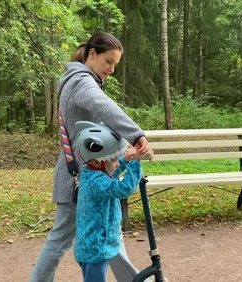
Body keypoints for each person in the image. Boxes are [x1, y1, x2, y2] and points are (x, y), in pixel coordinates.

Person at [29, 32, 154, 282]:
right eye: (109, 61)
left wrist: (114, 154)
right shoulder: (82, 82)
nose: (111, 69)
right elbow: (104, 107)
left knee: (109, 238)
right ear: (92, 54)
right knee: (65, 240)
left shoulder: (77, 80)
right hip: (80, 178)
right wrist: (136, 135)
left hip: (83, 173)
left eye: (115, 64)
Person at [73, 121, 143, 282]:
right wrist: (135, 164)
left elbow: (110, 173)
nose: (117, 162)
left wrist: (124, 160)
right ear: (98, 162)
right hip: (95, 249)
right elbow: (124, 189)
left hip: (94, 245)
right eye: (115, 159)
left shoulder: (92, 173)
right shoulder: (97, 181)